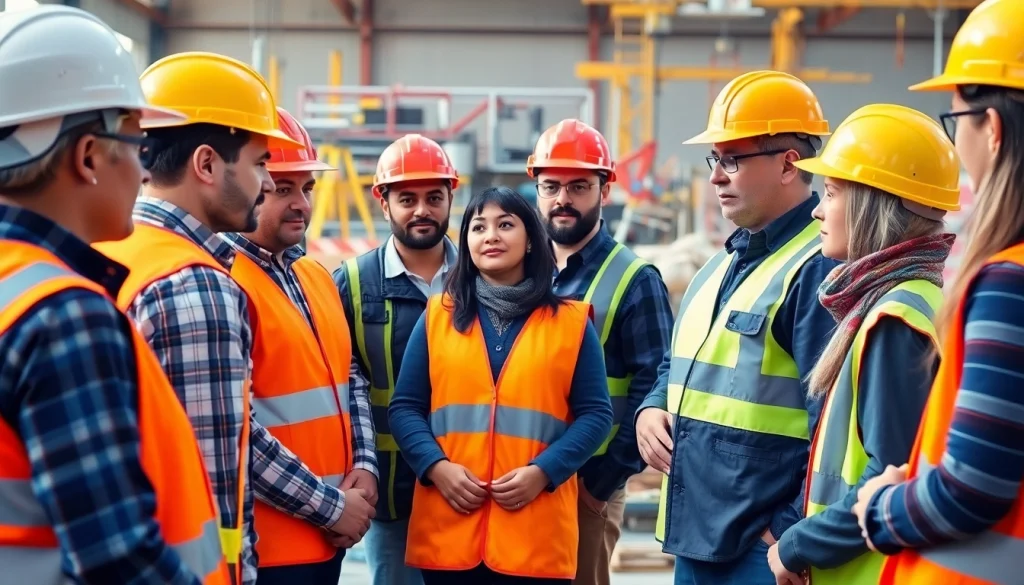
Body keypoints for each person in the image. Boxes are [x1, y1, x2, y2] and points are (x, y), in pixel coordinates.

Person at [93, 52, 356, 585]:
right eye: (261, 164)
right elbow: (214, 486)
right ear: (208, 164)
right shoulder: (196, 283)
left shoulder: (112, 253)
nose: (266, 183)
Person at [0, 6, 229, 584]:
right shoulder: (62, 315)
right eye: (137, 145)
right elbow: (118, 560)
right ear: (88, 156)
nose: (144, 170)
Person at [634, 70, 842, 585]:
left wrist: (788, 532)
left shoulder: (815, 269)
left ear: (790, 164)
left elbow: (834, 422)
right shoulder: (721, 263)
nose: (715, 177)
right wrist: (651, 407)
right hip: (698, 536)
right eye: (715, 160)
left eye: (731, 160)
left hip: (760, 552)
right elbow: (679, 363)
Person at [852, 2, 1024, 584]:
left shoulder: (1008, 286)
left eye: (958, 121)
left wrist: (879, 506)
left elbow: (972, 488)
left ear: (993, 129)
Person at [764, 104, 961, 585]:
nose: (816, 208)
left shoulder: (895, 319)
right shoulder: (915, 299)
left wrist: (797, 545)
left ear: (873, 205)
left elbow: (893, 474)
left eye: (830, 193)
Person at [388, 186, 614, 585]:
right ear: (467, 243)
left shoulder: (572, 324)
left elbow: (596, 416)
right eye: (478, 227)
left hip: (535, 530)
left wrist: (544, 472)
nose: (490, 235)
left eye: (505, 225)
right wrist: (436, 468)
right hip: (450, 527)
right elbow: (405, 408)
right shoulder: (437, 318)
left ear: (530, 241)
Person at [221, 107, 377, 584]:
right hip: (270, 548)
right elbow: (237, 433)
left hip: (329, 540)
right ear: (250, 186)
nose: (302, 205)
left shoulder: (315, 276)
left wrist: (366, 468)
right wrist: (331, 508)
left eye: (307, 188)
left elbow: (349, 377)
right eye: (282, 188)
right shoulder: (224, 282)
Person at [527, 119, 675, 585]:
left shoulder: (634, 279)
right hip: (521, 478)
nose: (562, 199)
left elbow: (655, 387)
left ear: (605, 190)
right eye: (551, 186)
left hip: (587, 483)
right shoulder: (523, 272)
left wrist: (601, 485)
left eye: (578, 186)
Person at [334, 133, 459, 585]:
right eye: (407, 198)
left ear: (451, 197)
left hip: (468, 488)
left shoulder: (480, 279)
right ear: (383, 203)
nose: (422, 210)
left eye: (433, 197)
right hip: (391, 494)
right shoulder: (349, 283)